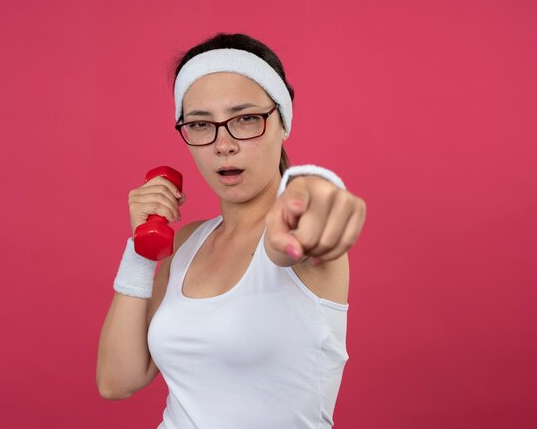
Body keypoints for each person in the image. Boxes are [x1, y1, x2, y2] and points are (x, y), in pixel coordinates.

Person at [96, 33, 367, 428]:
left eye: (245, 119)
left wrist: (317, 192)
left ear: (283, 122)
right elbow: (116, 380)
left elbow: (301, 226)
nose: (223, 144)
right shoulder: (187, 242)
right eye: (201, 124)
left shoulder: (295, 232)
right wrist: (139, 247)